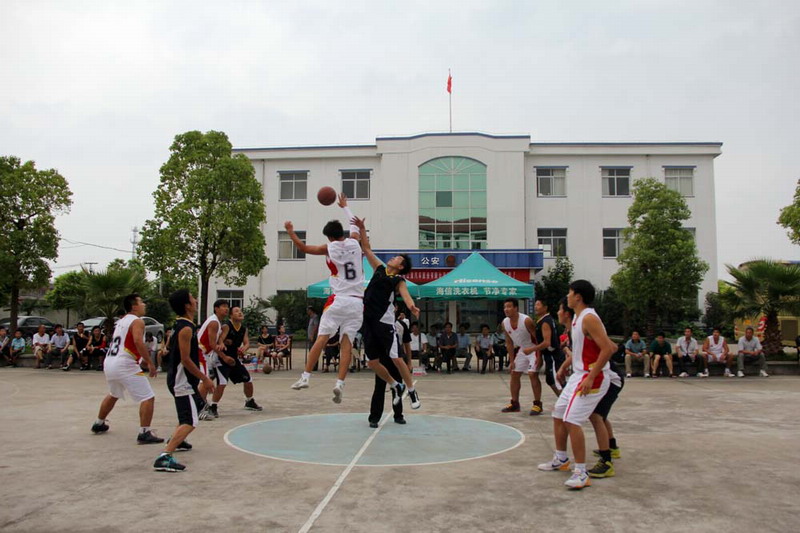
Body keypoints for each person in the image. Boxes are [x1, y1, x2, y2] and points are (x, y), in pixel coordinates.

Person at [538, 280, 616, 490]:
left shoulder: (589, 318)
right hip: (579, 374)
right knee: (558, 413)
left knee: (572, 420)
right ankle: (561, 458)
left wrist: (591, 376)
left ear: (578, 297)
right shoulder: (577, 319)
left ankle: (581, 472)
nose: (568, 296)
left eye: (570, 293)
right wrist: (568, 367)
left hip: (591, 376)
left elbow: (608, 349)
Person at [289, 193, 364, 403]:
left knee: (322, 337)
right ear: (342, 233)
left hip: (339, 300)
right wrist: (345, 206)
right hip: (357, 303)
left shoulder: (328, 248)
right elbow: (355, 225)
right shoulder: (355, 242)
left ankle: (305, 377)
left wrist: (291, 231)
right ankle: (340, 383)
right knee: (347, 343)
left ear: (330, 237)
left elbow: (303, 248)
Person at [352, 215, 421, 410]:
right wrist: (362, 228)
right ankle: (395, 385)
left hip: (384, 322)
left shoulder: (398, 280)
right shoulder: (379, 269)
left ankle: (412, 391)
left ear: (401, 267)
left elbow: (406, 296)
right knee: (372, 363)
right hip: (368, 321)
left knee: (396, 359)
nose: (393, 258)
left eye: (397, 258)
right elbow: (366, 249)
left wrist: (411, 306)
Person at [154, 289, 216, 472]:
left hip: (181, 380)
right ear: (187, 305)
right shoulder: (186, 329)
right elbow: (186, 359)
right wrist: (205, 379)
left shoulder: (181, 324)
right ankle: (165, 456)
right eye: (192, 299)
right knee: (190, 420)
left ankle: (178, 440)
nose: (196, 300)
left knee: (191, 411)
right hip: (182, 381)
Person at [91, 293, 164, 446]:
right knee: (148, 397)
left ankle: (99, 423)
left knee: (114, 394)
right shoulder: (137, 321)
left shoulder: (121, 321)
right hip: (125, 363)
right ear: (134, 306)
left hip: (110, 361)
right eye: (141, 302)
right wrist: (149, 362)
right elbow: (138, 341)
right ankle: (144, 432)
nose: (144, 304)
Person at [206, 306, 262, 417]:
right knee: (222, 382)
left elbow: (247, 343)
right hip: (221, 358)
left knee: (248, 379)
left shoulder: (243, 329)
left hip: (233, 358)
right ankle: (213, 406)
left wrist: (244, 348)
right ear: (231, 315)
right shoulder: (227, 326)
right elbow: (219, 339)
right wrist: (222, 343)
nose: (240, 313)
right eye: (236, 311)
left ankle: (249, 401)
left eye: (241, 311)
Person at [500, 298, 543, 415]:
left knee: (532, 374)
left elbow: (538, 339)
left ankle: (537, 404)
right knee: (514, 373)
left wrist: (539, 356)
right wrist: (511, 360)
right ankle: (515, 403)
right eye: (505, 307)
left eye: (509, 306)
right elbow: (509, 342)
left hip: (533, 348)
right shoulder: (505, 323)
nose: (506, 309)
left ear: (516, 308)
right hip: (522, 349)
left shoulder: (526, 321)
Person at [196, 299, 229, 419]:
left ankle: (200, 405)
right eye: (223, 306)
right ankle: (198, 409)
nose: (226, 308)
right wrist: (224, 356)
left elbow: (216, 339)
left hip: (203, 353)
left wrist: (221, 342)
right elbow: (211, 343)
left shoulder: (217, 322)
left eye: (227, 306)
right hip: (200, 351)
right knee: (205, 381)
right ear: (216, 308)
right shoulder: (214, 322)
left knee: (206, 379)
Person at [533, 299, 565, 397]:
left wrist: (531, 349)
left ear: (545, 307)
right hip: (549, 356)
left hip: (553, 356)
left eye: (538, 305)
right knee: (551, 380)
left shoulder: (546, 322)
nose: (535, 307)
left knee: (556, 380)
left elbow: (547, 343)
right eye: (535, 305)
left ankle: (567, 402)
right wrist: (539, 356)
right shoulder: (543, 320)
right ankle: (564, 400)